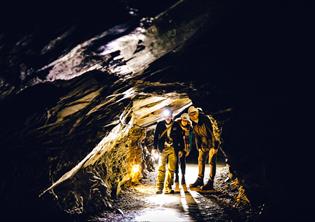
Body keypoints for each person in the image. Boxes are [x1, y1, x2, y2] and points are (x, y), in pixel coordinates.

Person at [188, 106, 220, 191]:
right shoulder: (193, 123)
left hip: (211, 143)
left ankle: (210, 182)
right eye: (191, 115)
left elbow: (213, 133)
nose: (193, 116)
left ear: (197, 113)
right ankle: (200, 180)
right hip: (203, 144)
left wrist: (214, 146)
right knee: (200, 160)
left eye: (194, 114)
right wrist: (199, 147)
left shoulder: (205, 119)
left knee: (211, 161)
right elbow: (196, 136)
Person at [153, 108, 184, 194]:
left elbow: (180, 138)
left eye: (169, 116)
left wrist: (181, 149)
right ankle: (159, 187)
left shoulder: (176, 125)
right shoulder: (160, 124)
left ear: (172, 116)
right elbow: (156, 136)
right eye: (166, 116)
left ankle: (168, 187)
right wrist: (155, 148)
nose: (168, 118)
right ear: (164, 116)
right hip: (162, 149)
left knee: (171, 169)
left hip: (173, 149)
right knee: (161, 168)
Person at [174, 113, 194, 193]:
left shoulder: (189, 128)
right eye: (183, 120)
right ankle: (176, 180)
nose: (184, 122)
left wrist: (188, 149)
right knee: (176, 163)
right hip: (176, 147)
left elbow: (190, 139)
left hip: (185, 148)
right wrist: (178, 149)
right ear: (181, 119)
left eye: (186, 120)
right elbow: (174, 137)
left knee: (183, 163)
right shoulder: (176, 125)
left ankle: (183, 179)